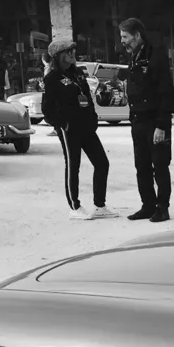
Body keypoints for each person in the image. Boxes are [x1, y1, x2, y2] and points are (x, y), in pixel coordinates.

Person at [42, 38, 117, 221]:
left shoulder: (78, 73)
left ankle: (100, 205)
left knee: (102, 163)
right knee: (73, 166)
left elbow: (87, 97)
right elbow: (47, 110)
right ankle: (74, 206)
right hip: (70, 130)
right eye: (69, 52)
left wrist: (93, 117)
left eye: (74, 51)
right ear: (59, 56)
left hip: (87, 127)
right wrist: (62, 124)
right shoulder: (52, 78)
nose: (73, 55)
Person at [119, 17, 174, 223]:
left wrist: (161, 125)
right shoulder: (134, 57)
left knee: (159, 166)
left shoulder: (156, 56)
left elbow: (167, 94)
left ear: (137, 35)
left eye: (125, 37)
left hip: (155, 122)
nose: (122, 41)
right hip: (138, 121)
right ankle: (148, 205)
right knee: (141, 166)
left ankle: (162, 208)